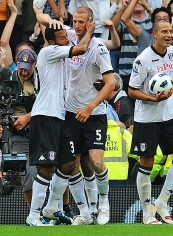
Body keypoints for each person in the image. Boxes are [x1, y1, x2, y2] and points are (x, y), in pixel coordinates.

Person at [35, 5, 116, 225]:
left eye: (82, 22)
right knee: (71, 165)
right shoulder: (68, 36)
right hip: (70, 112)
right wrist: (45, 17)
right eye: (75, 22)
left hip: (94, 112)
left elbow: (111, 84)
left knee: (97, 162)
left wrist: (90, 106)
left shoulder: (98, 47)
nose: (77, 26)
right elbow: (42, 18)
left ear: (91, 22)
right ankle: (83, 212)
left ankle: (104, 204)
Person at [26, 17, 95, 226]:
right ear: (52, 41)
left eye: (67, 37)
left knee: (68, 162)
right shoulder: (49, 52)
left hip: (60, 116)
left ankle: (51, 208)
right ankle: (33, 216)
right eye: (62, 38)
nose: (67, 40)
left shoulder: (58, 51)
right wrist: (90, 30)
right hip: (45, 115)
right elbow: (82, 48)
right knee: (46, 168)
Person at [128, 19, 173, 224]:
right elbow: (131, 90)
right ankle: (148, 212)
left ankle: (162, 202)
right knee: (146, 163)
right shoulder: (143, 59)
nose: (168, 35)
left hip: (169, 114)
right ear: (154, 34)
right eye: (164, 32)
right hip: (147, 118)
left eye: (170, 32)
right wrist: (152, 99)